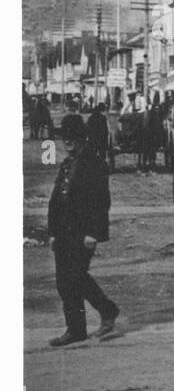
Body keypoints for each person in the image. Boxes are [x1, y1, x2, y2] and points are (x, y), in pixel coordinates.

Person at [46, 113, 119, 346]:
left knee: (75, 276)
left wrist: (93, 233)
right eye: (64, 139)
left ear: (81, 138)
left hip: (82, 231)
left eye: (72, 138)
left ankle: (106, 310)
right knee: (64, 281)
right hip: (64, 231)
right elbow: (56, 200)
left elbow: (101, 202)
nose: (67, 143)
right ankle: (76, 329)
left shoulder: (94, 163)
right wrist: (53, 233)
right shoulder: (68, 163)